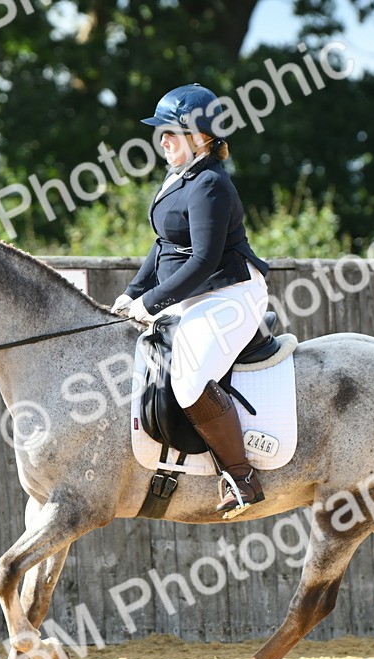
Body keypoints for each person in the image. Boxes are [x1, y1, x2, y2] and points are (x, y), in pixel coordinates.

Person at [111, 84, 271, 517]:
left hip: (230, 293)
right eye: (161, 132)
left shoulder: (211, 185)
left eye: (172, 132)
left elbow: (203, 260)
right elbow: (162, 246)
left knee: (189, 379)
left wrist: (152, 303)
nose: (163, 140)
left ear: (202, 136)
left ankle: (242, 478)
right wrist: (132, 293)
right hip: (196, 295)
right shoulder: (180, 177)